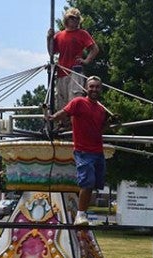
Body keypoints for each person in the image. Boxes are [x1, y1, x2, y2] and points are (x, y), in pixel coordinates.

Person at [47, 76, 110, 225]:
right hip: (83, 150)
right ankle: (80, 215)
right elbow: (64, 112)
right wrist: (52, 118)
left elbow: (100, 128)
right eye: (91, 86)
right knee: (87, 182)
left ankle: (83, 213)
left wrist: (111, 124)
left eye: (97, 87)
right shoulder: (79, 102)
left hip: (97, 151)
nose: (94, 89)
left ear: (101, 89)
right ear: (86, 88)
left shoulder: (101, 109)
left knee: (95, 183)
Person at [47, 7, 99, 128]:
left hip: (75, 71)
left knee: (74, 99)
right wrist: (48, 38)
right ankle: (64, 125)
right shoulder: (59, 35)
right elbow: (51, 52)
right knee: (62, 100)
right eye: (71, 18)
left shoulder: (82, 33)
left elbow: (94, 49)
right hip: (61, 71)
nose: (74, 21)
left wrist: (86, 60)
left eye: (76, 19)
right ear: (66, 19)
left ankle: (76, 124)